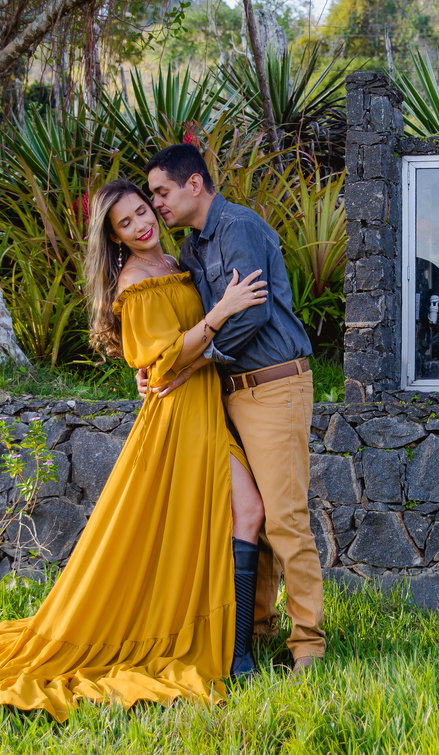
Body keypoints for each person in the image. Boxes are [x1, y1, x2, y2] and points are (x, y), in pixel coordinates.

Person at [0, 179, 268, 721]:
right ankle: (236, 656)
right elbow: (163, 358)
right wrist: (221, 312)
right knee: (239, 512)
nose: (141, 225)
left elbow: (170, 356)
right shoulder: (135, 281)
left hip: (203, 408)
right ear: (114, 237)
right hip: (177, 418)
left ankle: (236, 646)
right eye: (125, 223)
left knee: (242, 514)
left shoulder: (175, 263)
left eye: (142, 211)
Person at [138, 143, 325, 675]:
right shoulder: (192, 250)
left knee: (286, 518)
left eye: (162, 192)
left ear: (194, 184)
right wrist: (158, 361)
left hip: (273, 386)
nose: (157, 204)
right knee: (253, 516)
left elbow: (250, 315)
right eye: (153, 195)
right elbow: (196, 322)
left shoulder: (238, 227)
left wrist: (192, 365)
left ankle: (308, 647)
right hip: (229, 392)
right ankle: (257, 628)